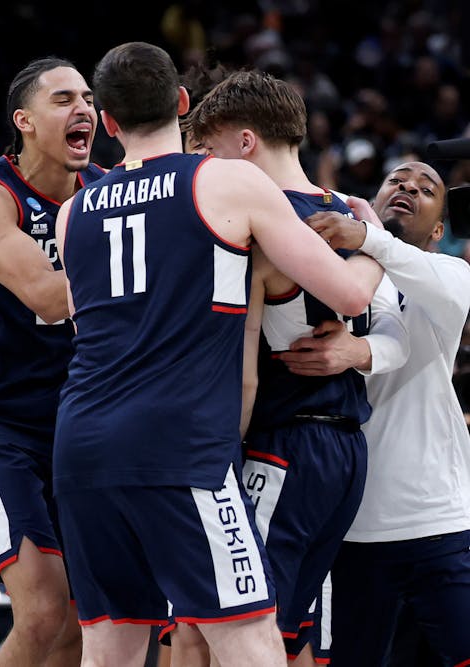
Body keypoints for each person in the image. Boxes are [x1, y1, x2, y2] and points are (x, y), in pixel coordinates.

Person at [52, 42, 381, 667]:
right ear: (181, 102)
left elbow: (80, 321)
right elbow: (345, 291)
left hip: (83, 442)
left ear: (110, 124)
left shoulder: (73, 215)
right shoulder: (226, 180)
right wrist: (370, 240)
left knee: (111, 643)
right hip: (179, 445)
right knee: (250, 637)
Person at [178, 69, 400, 664]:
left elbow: (246, 368)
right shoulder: (352, 216)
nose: (203, 168)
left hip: (280, 445)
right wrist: (380, 245)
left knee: (226, 629)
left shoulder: (256, 225)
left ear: (245, 143)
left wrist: (220, 454)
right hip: (349, 450)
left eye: (208, 151)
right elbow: (386, 313)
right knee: (291, 635)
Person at [0, 55, 104, 667]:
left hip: (79, 421)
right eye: (63, 99)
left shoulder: (104, 191)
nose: (82, 108)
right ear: (25, 121)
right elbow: (51, 297)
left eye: (88, 98)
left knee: (84, 622)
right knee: (41, 609)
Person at [279, 161, 470, 666]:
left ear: (438, 230)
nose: (408, 186)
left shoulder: (450, 273)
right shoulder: (328, 274)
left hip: (438, 517)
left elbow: (397, 332)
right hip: (349, 522)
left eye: (426, 189)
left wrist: (369, 233)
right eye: (397, 180)